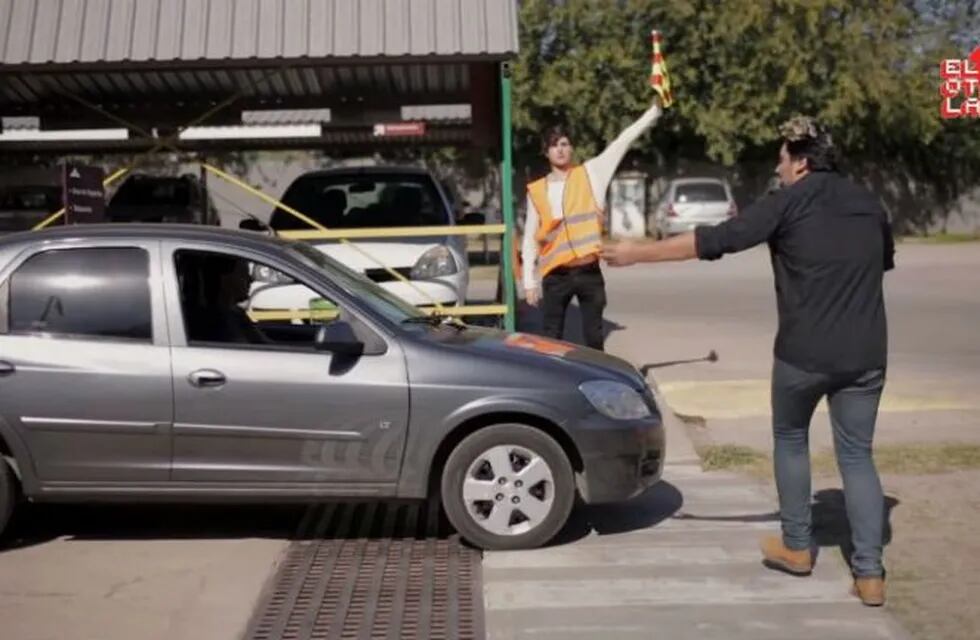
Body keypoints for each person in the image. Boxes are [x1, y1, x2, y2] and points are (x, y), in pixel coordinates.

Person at [601, 116, 895, 607]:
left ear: (800, 162)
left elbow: (714, 241)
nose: (778, 168)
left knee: (791, 439)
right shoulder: (870, 204)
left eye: (782, 158)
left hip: (803, 355)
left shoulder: (787, 202)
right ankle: (870, 575)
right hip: (866, 355)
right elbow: (882, 262)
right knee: (857, 455)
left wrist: (636, 254)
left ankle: (798, 548)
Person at [521, 99, 663, 351]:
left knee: (594, 337)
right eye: (554, 145)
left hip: (588, 273)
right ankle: (556, 384)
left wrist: (653, 112)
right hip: (556, 276)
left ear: (572, 148)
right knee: (550, 339)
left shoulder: (592, 173)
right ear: (546, 152)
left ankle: (600, 383)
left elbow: (623, 141)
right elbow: (530, 238)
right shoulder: (537, 190)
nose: (560, 150)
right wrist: (529, 282)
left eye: (564, 144)